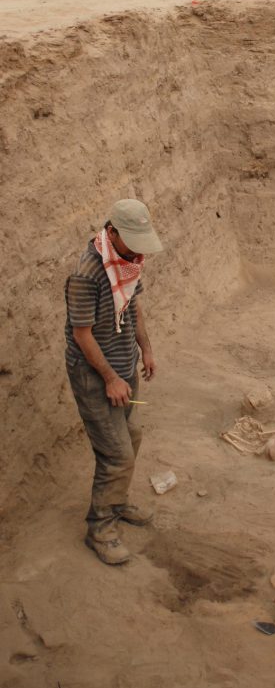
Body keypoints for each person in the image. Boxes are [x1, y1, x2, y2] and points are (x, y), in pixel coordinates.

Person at [65, 199, 163, 565]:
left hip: (124, 366)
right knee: (117, 453)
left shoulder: (128, 263)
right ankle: (100, 529)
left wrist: (146, 351)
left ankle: (116, 502)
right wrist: (109, 378)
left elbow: (133, 308)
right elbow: (82, 335)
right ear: (112, 232)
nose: (140, 252)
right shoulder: (87, 273)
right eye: (133, 241)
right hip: (94, 377)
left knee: (131, 437)